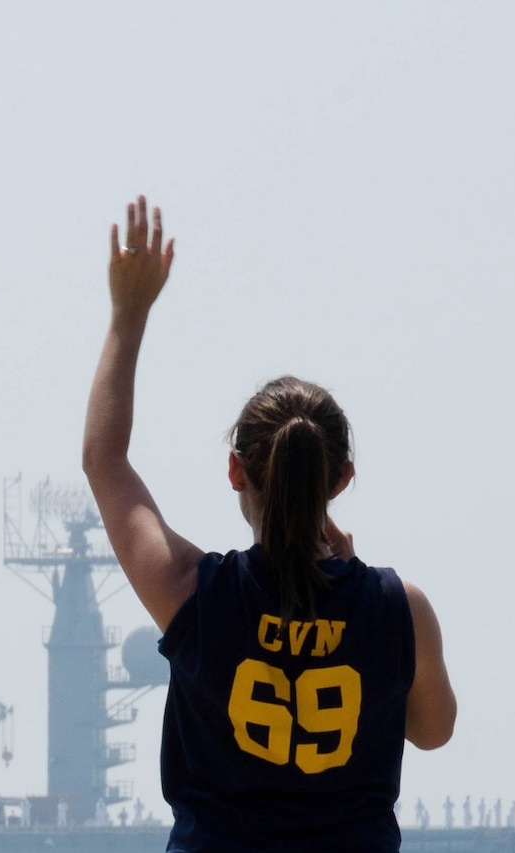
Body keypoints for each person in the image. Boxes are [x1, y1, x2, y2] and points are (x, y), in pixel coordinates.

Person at [83, 197, 457, 853]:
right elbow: (432, 729)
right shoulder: (401, 610)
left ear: (236, 471)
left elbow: (104, 460)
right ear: (340, 480)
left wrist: (129, 313)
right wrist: (357, 583)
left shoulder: (190, 591)